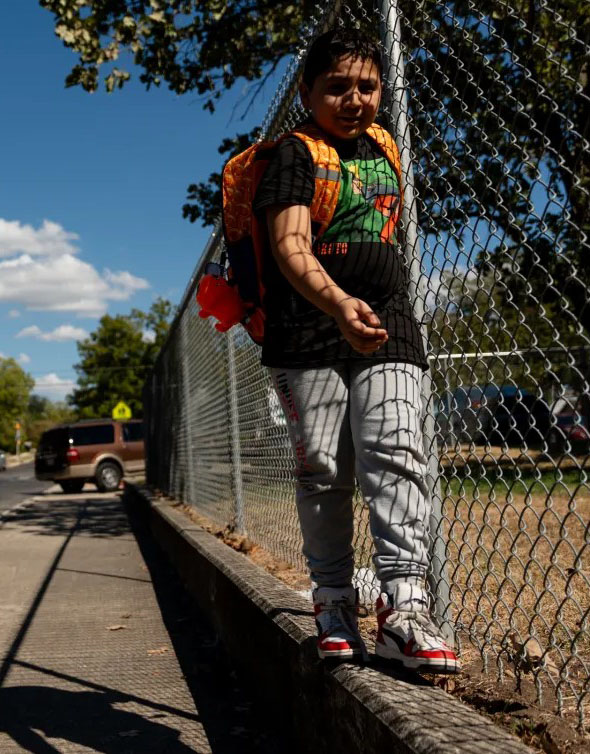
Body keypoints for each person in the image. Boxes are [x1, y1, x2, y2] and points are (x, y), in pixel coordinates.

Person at [254, 28, 460, 672]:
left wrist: (366, 307)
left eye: (366, 86)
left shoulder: (386, 148)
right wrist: (340, 304)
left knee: (396, 452)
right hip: (310, 328)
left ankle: (405, 606)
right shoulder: (294, 153)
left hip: (390, 322)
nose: (353, 98)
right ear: (309, 92)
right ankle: (335, 602)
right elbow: (290, 246)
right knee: (323, 466)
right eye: (336, 86)